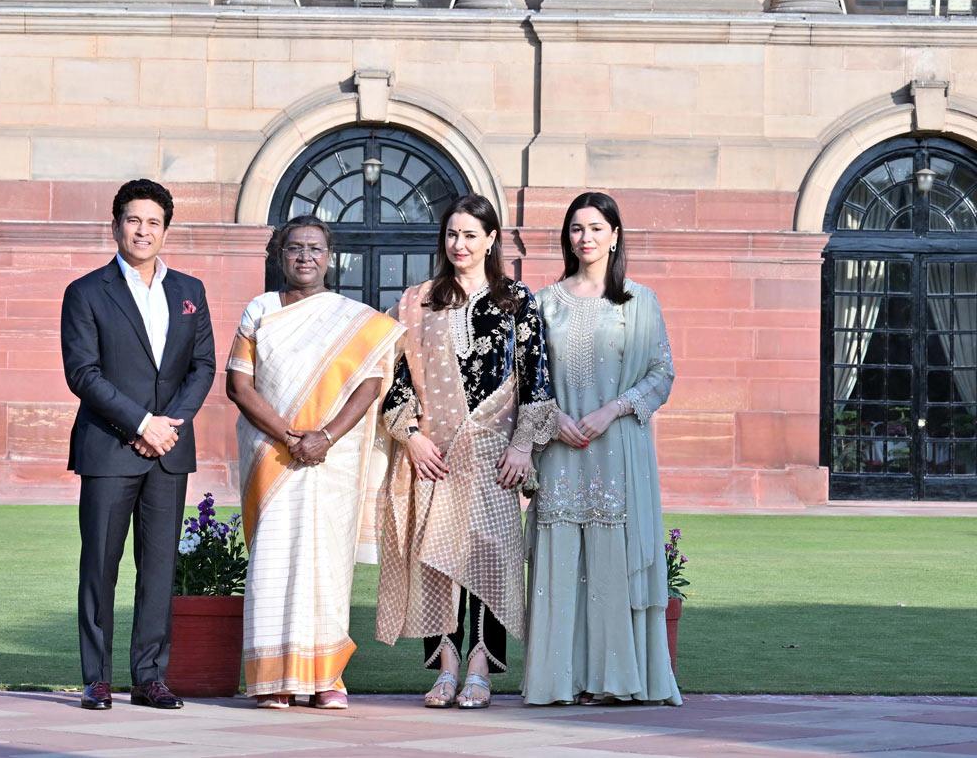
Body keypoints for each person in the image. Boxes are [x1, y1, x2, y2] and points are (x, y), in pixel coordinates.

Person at [376, 193, 557, 710]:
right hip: (436, 453)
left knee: (490, 556)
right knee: (435, 561)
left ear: (491, 239)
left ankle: (480, 666)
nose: (459, 244)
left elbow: (536, 378)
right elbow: (394, 376)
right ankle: (446, 668)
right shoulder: (419, 301)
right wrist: (411, 436)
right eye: (452, 234)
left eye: (470, 235)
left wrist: (524, 447)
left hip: (495, 454)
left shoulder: (516, 299)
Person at [226, 215, 404, 711]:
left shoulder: (353, 318)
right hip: (272, 456)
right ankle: (273, 680)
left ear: (331, 257)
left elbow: (372, 382)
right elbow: (239, 385)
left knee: (327, 565)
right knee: (272, 561)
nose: (305, 256)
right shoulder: (260, 310)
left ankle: (327, 678)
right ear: (280, 257)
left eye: (315, 248)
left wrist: (325, 437)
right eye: (294, 248)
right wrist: (291, 436)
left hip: (332, 461)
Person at [521, 191, 682, 706]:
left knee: (613, 557)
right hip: (561, 448)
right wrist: (555, 418)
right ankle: (560, 681)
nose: (585, 238)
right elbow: (526, 379)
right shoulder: (543, 303)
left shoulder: (640, 301)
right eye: (576, 229)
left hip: (619, 449)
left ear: (614, 236)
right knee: (562, 558)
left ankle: (616, 680)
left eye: (595, 228)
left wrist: (612, 409)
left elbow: (662, 374)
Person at [60, 178, 216, 711]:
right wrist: (141, 423)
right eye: (133, 220)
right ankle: (97, 678)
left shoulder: (190, 291)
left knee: (158, 569)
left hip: (169, 451)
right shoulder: (85, 292)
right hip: (108, 448)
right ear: (115, 226)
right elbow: (82, 373)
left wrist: (168, 425)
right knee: (99, 565)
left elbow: (203, 367)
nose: (142, 230)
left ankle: (150, 677)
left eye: (153, 222)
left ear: (166, 230)